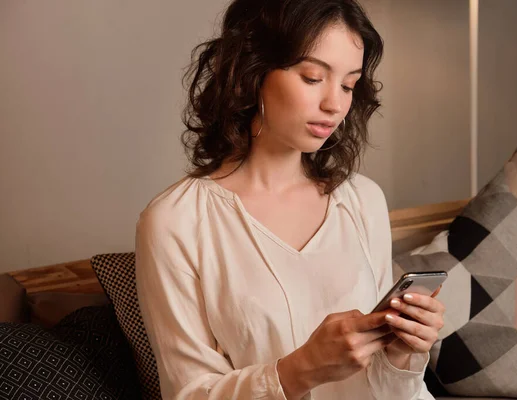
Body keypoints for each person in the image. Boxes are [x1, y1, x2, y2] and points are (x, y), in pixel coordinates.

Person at [135, 0, 445, 399]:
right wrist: (301, 370)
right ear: (252, 72)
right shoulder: (175, 222)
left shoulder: (362, 200)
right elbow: (189, 392)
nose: (335, 105)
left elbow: (388, 390)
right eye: (313, 77)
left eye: (348, 85)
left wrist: (402, 352)